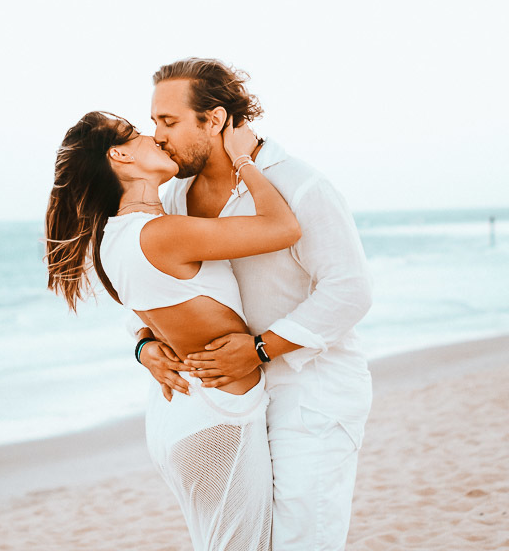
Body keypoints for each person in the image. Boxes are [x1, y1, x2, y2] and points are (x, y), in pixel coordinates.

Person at [135, 58, 373, 551]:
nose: (156, 136)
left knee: (301, 539)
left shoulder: (299, 184)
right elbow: (155, 280)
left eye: (169, 122)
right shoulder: (176, 197)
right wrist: (144, 345)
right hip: (232, 400)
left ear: (214, 120)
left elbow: (349, 290)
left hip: (312, 392)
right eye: (154, 122)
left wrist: (260, 348)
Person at [45, 109, 301, 551]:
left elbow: (155, 310)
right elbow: (284, 228)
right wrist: (245, 161)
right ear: (120, 155)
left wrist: (144, 344)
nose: (155, 138)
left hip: (180, 415)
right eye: (138, 133)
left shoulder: (110, 240)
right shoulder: (163, 233)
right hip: (219, 418)